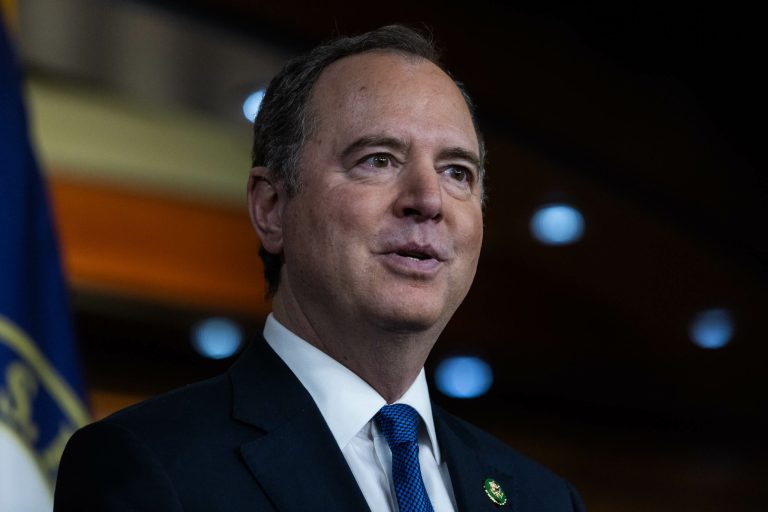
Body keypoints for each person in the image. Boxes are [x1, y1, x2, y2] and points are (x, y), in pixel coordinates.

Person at [54, 25, 585, 511]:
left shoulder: (545, 500)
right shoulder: (148, 466)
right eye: (379, 159)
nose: (428, 199)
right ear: (271, 207)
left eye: (456, 172)